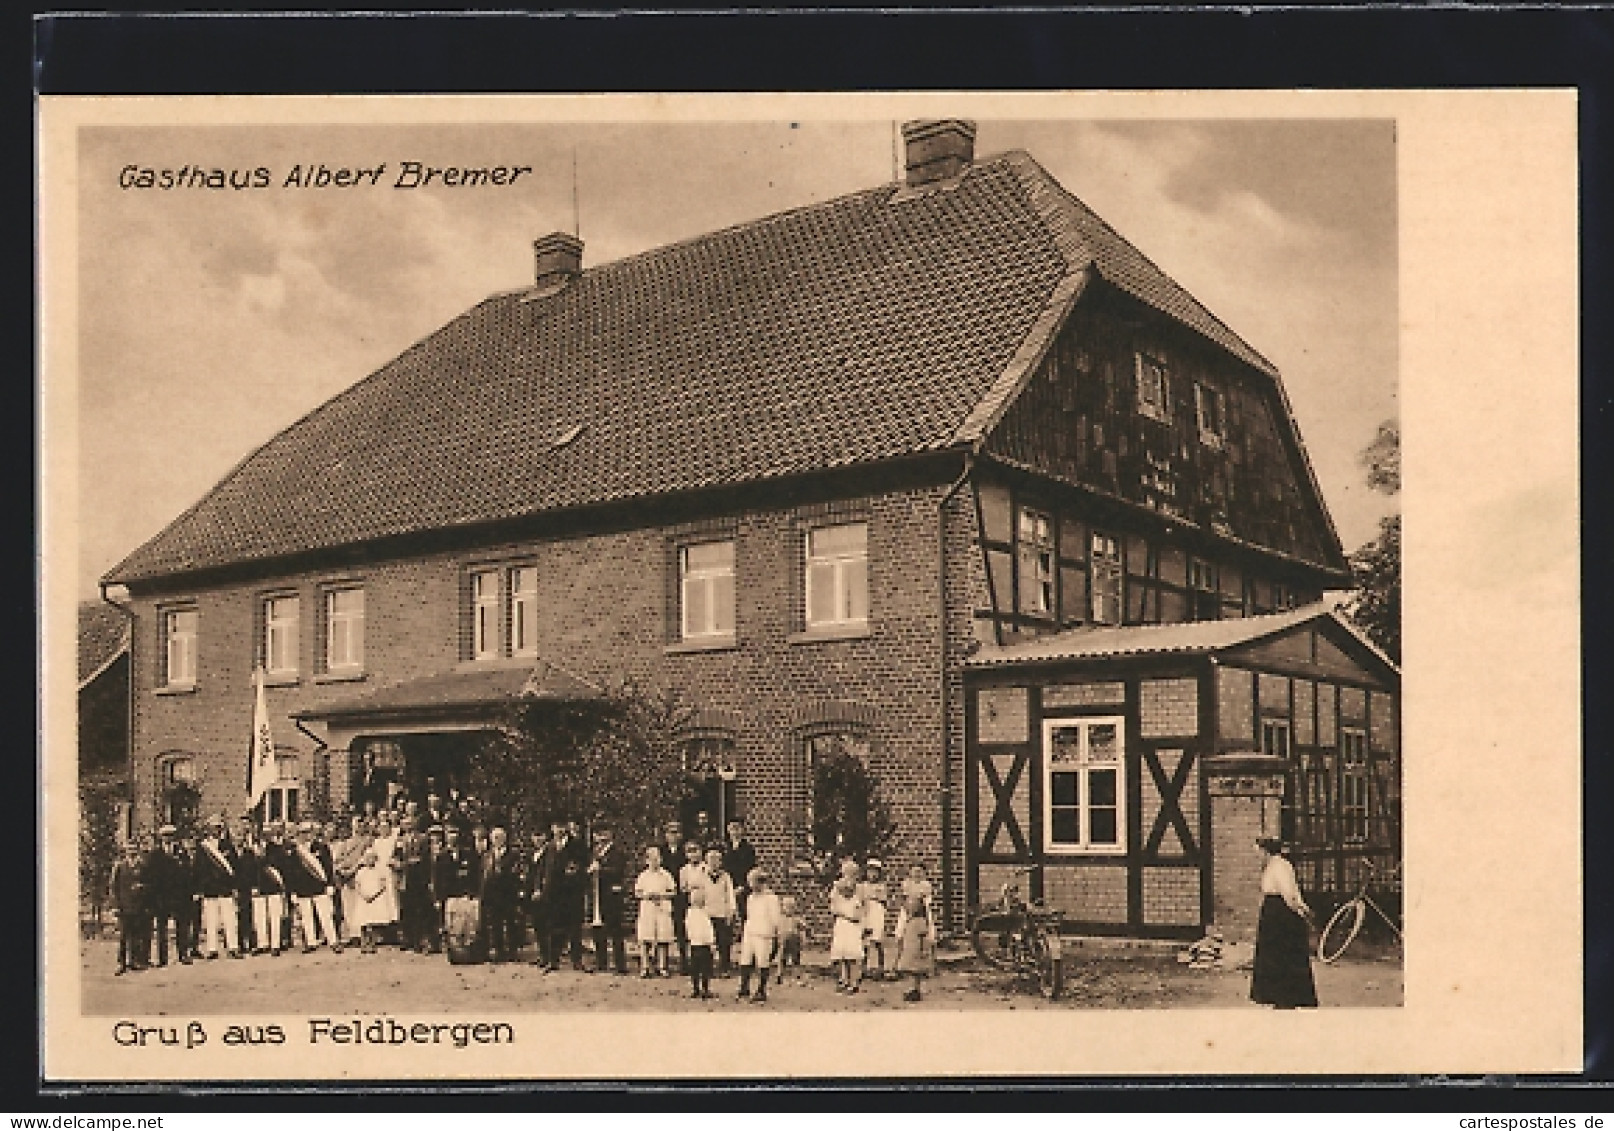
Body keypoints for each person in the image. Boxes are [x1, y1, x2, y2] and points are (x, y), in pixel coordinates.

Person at [1249, 837, 1318, 1008]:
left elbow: (1289, 894)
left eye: (1259, 852)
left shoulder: (1279, 866)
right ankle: (1276, 996)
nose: (1258, 856)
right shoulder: (1276, 865)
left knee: (1281, 954)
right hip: (1274, 912)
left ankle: (1285, 998)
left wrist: (1300, 909)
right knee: (1273, 954)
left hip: (1279, 915)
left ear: (1266, 851)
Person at [285, 820, 341, 953]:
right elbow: (291, 872)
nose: (305, 836)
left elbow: (328, 867)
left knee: (325, 915)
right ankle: (311, 942)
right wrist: (292, 891)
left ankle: (333, 941)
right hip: (302, 888)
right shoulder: (296, 851)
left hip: (319, 886)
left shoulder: (321, 848)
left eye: (307, 833)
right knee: (306, 917)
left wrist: (330, 884)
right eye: (302, 833)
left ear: (312, 833)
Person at [194, 816, 244, 959]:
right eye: (214, 827)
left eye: (218, 827)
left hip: (225, 888)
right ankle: (212, 948)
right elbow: (198, 869)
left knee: (230, 919)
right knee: (211, 920)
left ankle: (233, 947)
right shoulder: (203, 848)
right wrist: (200, 889)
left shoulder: (227, 846)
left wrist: (235, 887)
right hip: (210, 888)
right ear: (208, 829)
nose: (216, 830)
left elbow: (235, 867)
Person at [541, 820, 587, 971]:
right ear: (552, 828)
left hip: (572, 894)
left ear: (566, 828)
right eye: (555, 827)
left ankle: (577, 961)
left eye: (561, 827)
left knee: (574, 928)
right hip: (554, 895)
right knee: (554, 928)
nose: (558, 830)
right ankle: (553, 960)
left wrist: (575, 873)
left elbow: (583, 866)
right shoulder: (549, 847)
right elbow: (544, 870)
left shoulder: (577, 845)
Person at [588, 824, 630, 974]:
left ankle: (620, 965)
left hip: (611, 896)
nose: (599, 837)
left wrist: (601, 870)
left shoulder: (618, 853)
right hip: (597, 895)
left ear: (610, 835)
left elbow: (618, 871)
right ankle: (601, 962)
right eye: (597, 834)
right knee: (598, 930)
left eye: (603, 834)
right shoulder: (595, 852)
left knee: (615, 930)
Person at [736, 867, 782, 1004]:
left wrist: (776, 934)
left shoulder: (771, 899)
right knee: (746, 959)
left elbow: (775, 919)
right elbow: (749, 915)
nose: (751, 886)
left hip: (764, 933)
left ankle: (761, 990)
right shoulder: (751, 898)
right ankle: (744, 987)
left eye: (753, 882)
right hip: (750, 931)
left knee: (762, 961)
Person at [479, 826, 522, 963]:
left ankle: (513, 950)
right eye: (494, 838)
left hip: (507, 893)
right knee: (496, 923)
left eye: (499, 837)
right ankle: (499, 951)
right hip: (492, 895)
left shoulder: (513, 854)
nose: (496, 840)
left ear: (505, 839)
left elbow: (516, 873)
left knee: (510, 922)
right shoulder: (487, 855)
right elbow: (484, 875)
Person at [634, 845, 676, 977]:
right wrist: (647, 896)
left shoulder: (666, 875)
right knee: (646, 937)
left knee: (663, 938)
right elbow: (637, 892)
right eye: (651, 859)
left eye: (657, 858)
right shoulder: (643, 876)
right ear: (646, 861)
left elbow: (673, 891)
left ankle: (662, 966)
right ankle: (645, 966)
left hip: (662, 907)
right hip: (647, 908)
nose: (654, 861)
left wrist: (662, 896)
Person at [109, 840, 150, 974]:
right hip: (124, 906)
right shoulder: (119, 866)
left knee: (136, 934)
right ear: (125, 851)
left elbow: (147, 883)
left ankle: (134, 961)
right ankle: (121, 963)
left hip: (138, 906)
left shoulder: (142, 865)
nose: (132, 851)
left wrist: (142, 887)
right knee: (123, 936)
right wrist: (115, 906)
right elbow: (113, 887)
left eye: (134, 849)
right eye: (129, 849)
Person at [249, 820, 289, 956]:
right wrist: (253, 885)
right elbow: (249, 869)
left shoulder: (277, 849)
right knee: (259, 917)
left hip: (273, 885)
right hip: (259, 886)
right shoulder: (252, 849)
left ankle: (275, 945)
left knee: (275, 916)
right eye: (263, 833)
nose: (265, 835)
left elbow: (281, 867)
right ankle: (262, 943)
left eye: (268, 832)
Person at [332, 814, 373, 945]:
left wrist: (354, 868)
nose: (358, 827)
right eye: (356, 824)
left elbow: (368, 858)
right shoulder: (345, 843)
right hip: (346, 878)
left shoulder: (368, 841)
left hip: (361, 876)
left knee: (360, 907)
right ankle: (353, 935)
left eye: (361, 824)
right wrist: (343, 871)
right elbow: (338, 860)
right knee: (348, 907)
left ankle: (363, 935)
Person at [397, 814, 435, 953]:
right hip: (405, 878)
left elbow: (425, 858)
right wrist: (397, 863)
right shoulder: (400, 840)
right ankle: (408, 939)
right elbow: (396, 856)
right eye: (405, 824)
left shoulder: (423, 839)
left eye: (410, 823)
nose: (408, 826)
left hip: (419, 879)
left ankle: (419, 940)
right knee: (407, 909)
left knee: (420, 909)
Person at [829, 859, 865, 993]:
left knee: (853, 955)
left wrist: (849, 914)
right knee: (842, 954)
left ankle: (854, 982)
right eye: (845, 873)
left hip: (853, 925)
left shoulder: (859, 889)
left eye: (852, 874)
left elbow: (858, 911)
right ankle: (844, 979)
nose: (848, 877)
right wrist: (843, 913)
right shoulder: (836, 888)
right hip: (842, 923)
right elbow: (833, 908)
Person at [658, 821, 689, 973]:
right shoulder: (661, 852)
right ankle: (662, 962)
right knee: (662, 926)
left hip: (681, 895)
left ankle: (684, 961)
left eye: (676, 832)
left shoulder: (685, 852)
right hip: (665, 894)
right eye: (670, 833)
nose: (674, 836)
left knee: (681, 927)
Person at [894, 892, 934, 1002]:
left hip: (916, 950)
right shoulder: (909, 921)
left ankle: (914, 990)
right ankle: (912, 990)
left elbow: (923, 937)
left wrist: (923, 950)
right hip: (909, 949)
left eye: (912, 907)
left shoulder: (920, 921)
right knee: (909, 971)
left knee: (915, 971)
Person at [702, 848, 737, 976]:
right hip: (707, 913)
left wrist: (731, 912)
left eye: (717, 860)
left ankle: (724, 968)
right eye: (711, 860)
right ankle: (708, 968)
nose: (714, 863)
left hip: (722, 913)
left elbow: (730, 895)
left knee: (724, 942)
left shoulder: (726, 877)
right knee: (707, 942)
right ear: (706, 861)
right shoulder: (702, 875)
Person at [685, 884, 716, 1000]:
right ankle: (705, 989)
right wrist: (712, 943)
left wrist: (690, 938)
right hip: (704, 945)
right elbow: (708, 929)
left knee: (695, 969)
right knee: (705, 969)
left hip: (694, 944)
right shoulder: (704, 913)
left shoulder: (689, 913)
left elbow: (688, 928)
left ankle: (696, 989)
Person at [722, 819, 757, 922]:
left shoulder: (748, 849)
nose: (734, 832)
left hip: (742, 887)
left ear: (742, 830)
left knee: (743, 914)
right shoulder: (725, 847)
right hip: (727, 886)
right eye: (732, 829)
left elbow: (750, 869)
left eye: (737, 828)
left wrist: (742, 886)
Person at [861, 858, 890, 981]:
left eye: (875, 872)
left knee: (877, 941)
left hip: (876, 913)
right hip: (866, 912)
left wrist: (874, 897)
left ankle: (881, 967)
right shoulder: (862, 886)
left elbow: (883, 899)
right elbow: (861, 899)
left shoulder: (881, 887)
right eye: (870, 872)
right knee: (865, 942)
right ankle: (863, 967)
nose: (872, 875)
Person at [777, 893, 803, 974]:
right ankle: (780, 972)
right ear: (783, 907)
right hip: (783, 939)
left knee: (795, 957)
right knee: (782, 956)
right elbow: (776, 928)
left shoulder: (796, 918)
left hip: (794, 939)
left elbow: (803, 926)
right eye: (786, 907)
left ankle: (796, 972)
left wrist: (802, 929)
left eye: (791, 907)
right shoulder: (780, 918)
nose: (789, 909)